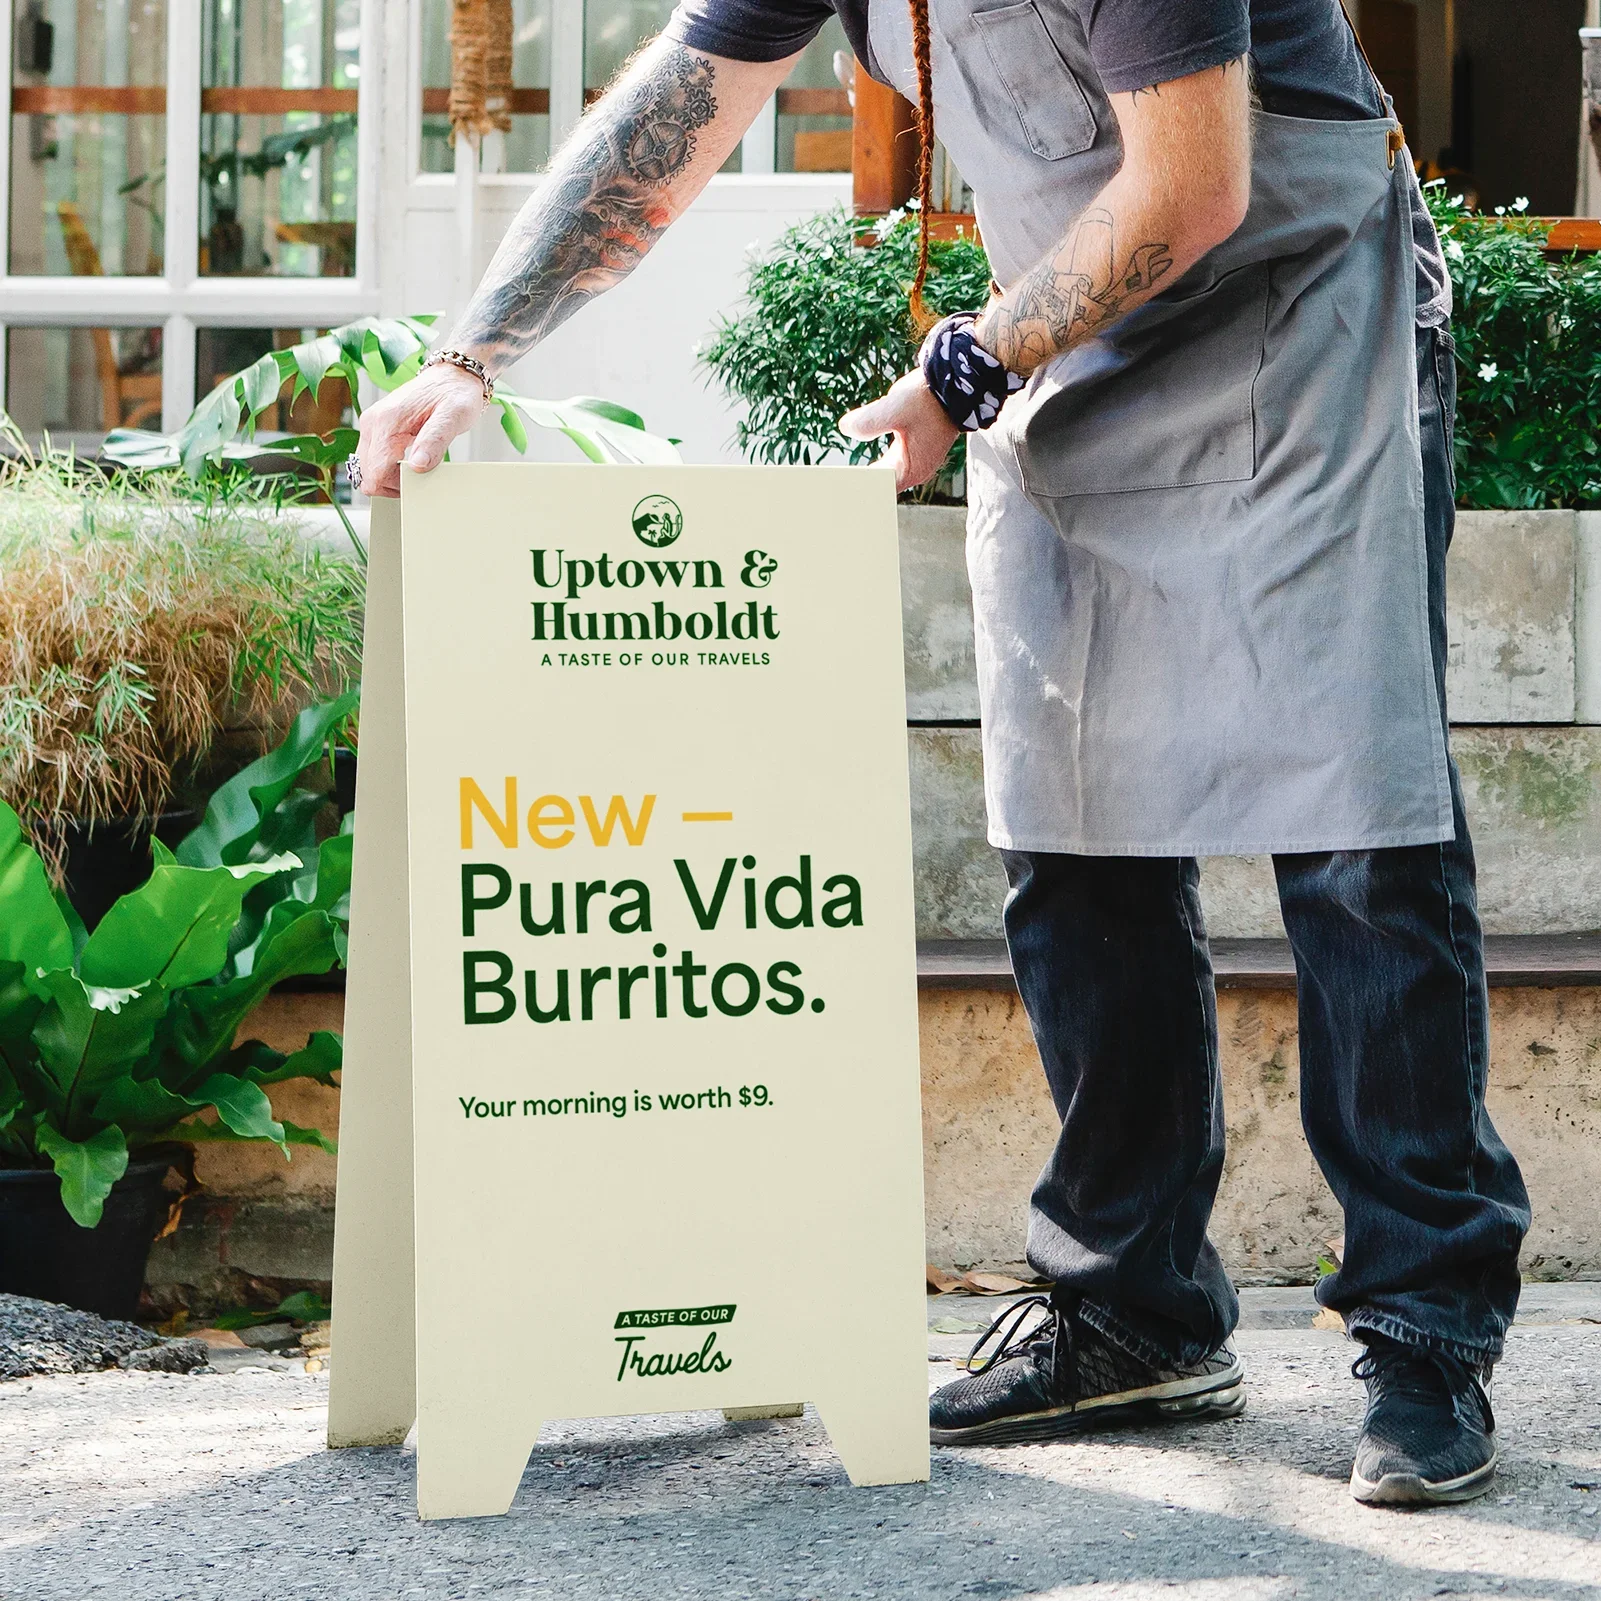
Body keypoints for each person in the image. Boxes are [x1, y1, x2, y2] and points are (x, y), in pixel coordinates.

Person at [353, 0, 1531, 1509]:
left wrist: (963, 370)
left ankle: (1426, 1331)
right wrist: (474, 354)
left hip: (1304, 312)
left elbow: (1192, 188)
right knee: (1068, 827)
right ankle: (1132, 1308)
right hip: (1077, 340)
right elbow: (677, 112)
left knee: (1357, 824)